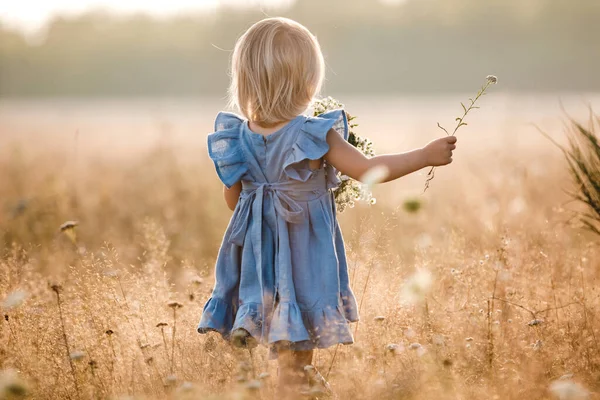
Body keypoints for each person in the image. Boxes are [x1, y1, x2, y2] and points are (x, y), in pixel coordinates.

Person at [197, 17, 457, 399]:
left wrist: (264, 198)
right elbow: (368, 171)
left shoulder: (236, 136)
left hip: (255, 260)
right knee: (296, 361)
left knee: (290, 358)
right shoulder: (313, 132)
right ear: (306, 82)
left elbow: (233, 201)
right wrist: (424, 155)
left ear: (246, 79)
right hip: (302, 262)